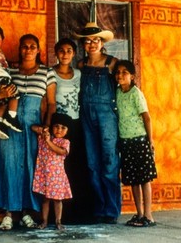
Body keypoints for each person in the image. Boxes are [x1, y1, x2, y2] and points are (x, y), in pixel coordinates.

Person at [0, 33, 57, 230]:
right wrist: (1, 93)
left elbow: (51, 104)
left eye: (32, 46)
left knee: (30, 167)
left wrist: (46, 126)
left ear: (38, 50)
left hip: (32, 126)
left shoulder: (47, 72)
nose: (28, 50)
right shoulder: (9, 70)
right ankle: (8, 213)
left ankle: (27, 212)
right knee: (8, 165)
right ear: (20, 49)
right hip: (9, 126)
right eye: (25, 46)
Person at [74, 22, 121, 224]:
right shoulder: (81, 66)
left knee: (109, 162)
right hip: (86, 116)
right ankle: (99, 208)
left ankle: (111, 210)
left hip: (107, 117)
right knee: (93, 164)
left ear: (102, 43)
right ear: (83, 45)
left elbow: (125, 88)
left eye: (96, 40)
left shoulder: (112, 63)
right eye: (88, 41)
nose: (92, 44)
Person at [51, 38, 91, 223]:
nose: (65, 54)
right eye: (61, 50)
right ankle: (59, 215)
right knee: (58, 169)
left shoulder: (79, 74)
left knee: (76, 167)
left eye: (69, 50)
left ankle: (78, 212)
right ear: (56, 53)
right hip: (58, 127)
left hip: (75, 125)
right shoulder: (50, 74)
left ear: (74, 53)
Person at [114, 59, 157, 227]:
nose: (120, 75)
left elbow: (146, 117)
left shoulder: (135, 93)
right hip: (125, 141)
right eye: (118, 72)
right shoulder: (117, 92)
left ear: (132, 76)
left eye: (125, 72)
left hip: (139, 140)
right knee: (133, 180)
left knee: (145, 179)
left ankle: (148, 215)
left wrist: (150, 140)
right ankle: (139, 213)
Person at [32, 112, 73, 230]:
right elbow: (32, 127)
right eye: (56, 126)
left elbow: (61, 151)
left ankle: (58, 221)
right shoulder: (45, 137)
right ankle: (44, 221)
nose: (59, 130)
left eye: (63, 128)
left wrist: (49, 141)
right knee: (45, 200)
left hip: (57, 177)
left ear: (67, 131)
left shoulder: (65, 142)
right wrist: (42, 129)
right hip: (44, 175)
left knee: (57, 200)